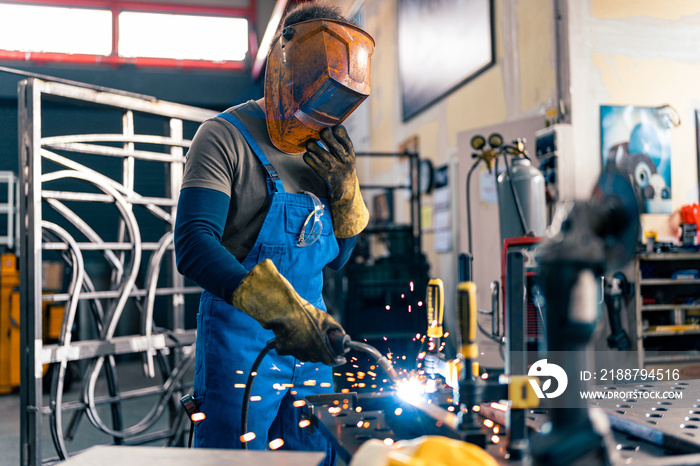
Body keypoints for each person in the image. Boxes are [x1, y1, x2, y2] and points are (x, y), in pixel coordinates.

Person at [173, 3, 374, 465]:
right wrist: (280, 311)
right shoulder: (222, 136)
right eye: (317, 97)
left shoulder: (328, 151)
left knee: (314, 455)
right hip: (240, 345)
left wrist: (346, 194)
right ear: (286, 73)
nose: (322, 116)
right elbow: (193, 243)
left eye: (336, 104)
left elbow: (337, 258)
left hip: (312, 341)